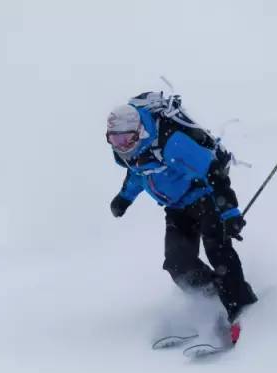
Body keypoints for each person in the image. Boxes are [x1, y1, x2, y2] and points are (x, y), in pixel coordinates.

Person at [106, 92, 257, 344]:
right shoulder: (130, 152)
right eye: (114, 139)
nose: (121, 145)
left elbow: (214, 171)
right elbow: (139, 173)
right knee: (178, 263)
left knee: (218, 251)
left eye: (125, 138)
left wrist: (229, 212)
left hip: (205, 197)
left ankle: (242, 305)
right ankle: (213, 305)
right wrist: (124, 198)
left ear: (140, 130)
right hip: (176, 208)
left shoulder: (171, 142)